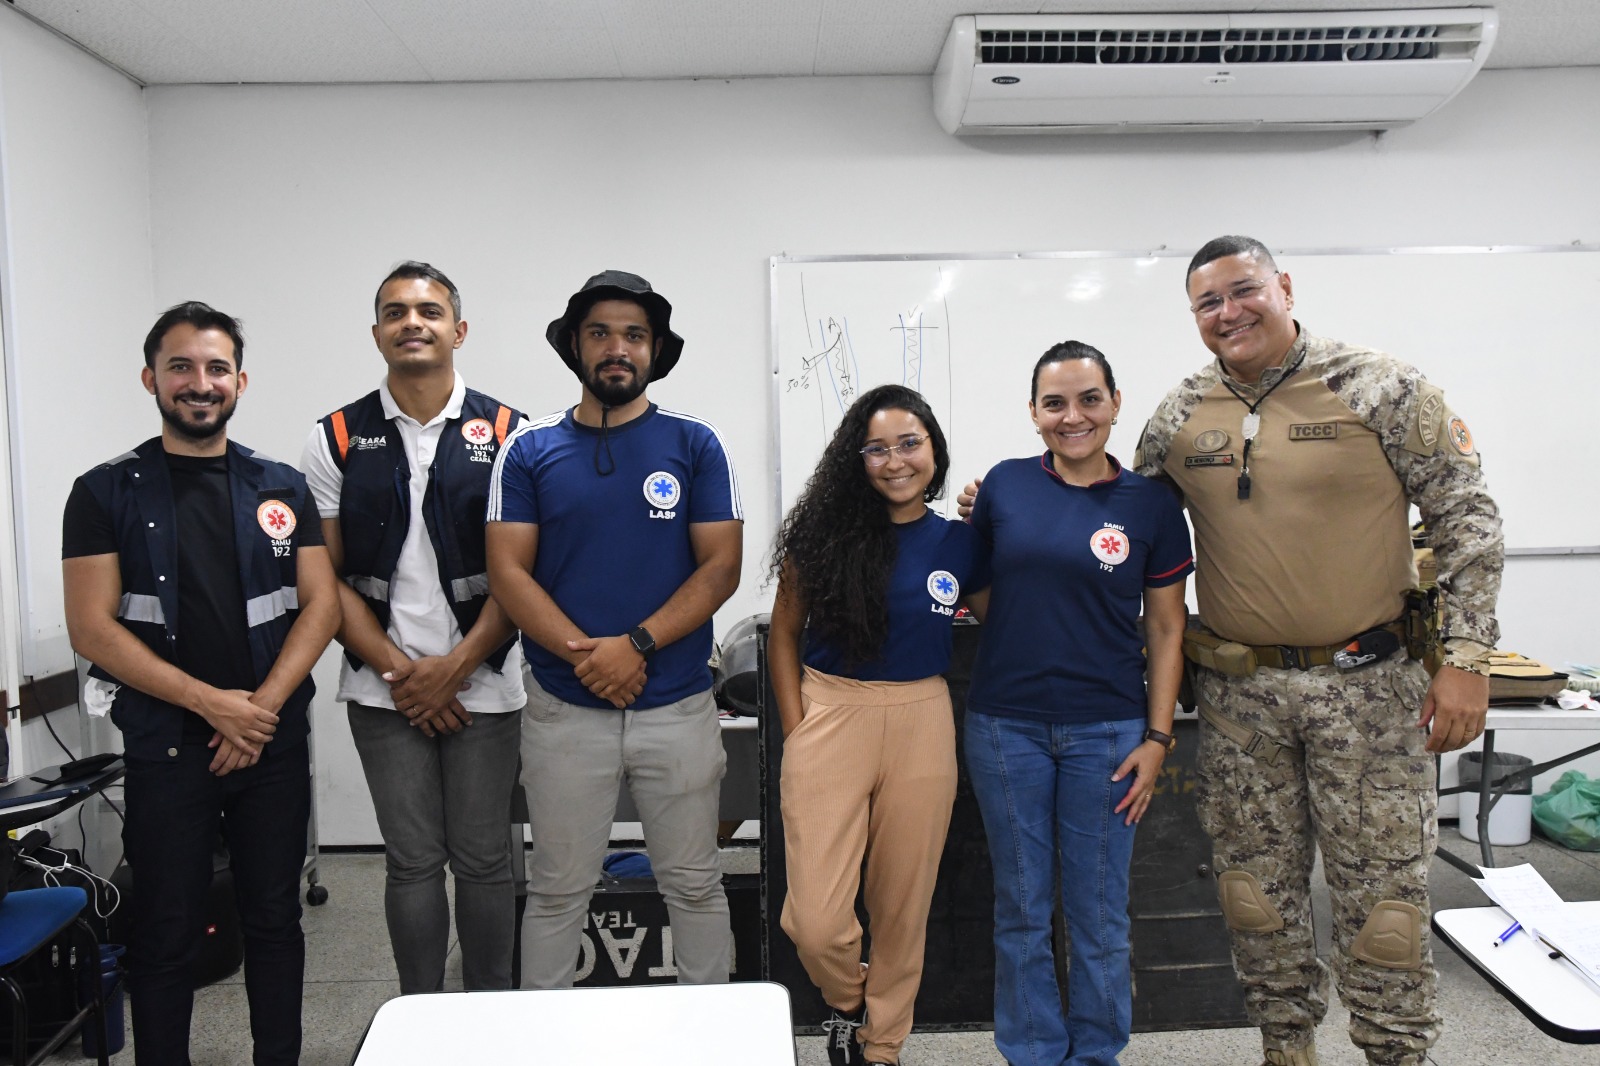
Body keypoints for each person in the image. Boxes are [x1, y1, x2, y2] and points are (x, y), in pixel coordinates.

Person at [1128, 236, 1504, 1066]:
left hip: (1371, 690)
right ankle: (1285, 1048)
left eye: (1244, 290)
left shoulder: (1382, 388)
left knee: (1385, 907)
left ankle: (1396, 1053)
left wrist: (1467, 658)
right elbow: (1124, 525)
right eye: (1208, 303)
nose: (1230, 313)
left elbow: (1468, 519)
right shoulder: (1179, 414)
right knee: (1256, 900)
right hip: (1240, 704)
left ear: (1284, 286)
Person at [63, 302, 340, 1066]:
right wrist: (213, 705)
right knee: (165, 929)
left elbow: (322, 606)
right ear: (151, 378)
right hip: (169, 748)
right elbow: (93, 629)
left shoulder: (278, 485)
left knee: (275, 920)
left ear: (240, 381)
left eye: (216, 368)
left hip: (271, 744)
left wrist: (261, 711)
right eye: (180, 366)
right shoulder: (104, 492)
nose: (199, 382)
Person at [486, 269, 743, 987]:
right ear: (576, 346)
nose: (617, 348)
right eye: (600, 333)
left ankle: (709, 1039)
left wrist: (635, 646)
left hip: (679, 706)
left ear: (655, 350)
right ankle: (544, 1041)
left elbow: (720, 567)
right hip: (566, 710)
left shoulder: (696, 445)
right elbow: (509, 574)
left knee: (693, 884)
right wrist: (590, 658)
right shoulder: (530, 450)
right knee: (558, 889)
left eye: (634, 335)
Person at [962, 341, 1191, 1066]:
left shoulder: (1152, 504)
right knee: (1022, 909)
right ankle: (1032, 1053)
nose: (1074, 416)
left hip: (1110, 731)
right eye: (1055, 403)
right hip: (1006, 727)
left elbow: (1165, 627)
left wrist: (1157, 738)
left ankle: (1096, 1055)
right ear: (1033, 413)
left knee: (1098, 913)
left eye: (1090, 399)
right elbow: (979, 590)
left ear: (1116, 403)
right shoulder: (1002, 487)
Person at [300, 262, 527, 993]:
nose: (412, 323)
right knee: (413, 861)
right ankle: (422, 1017)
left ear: (458, 331)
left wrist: (455, 667)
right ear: (377, 335)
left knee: (486, 859)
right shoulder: (333, 436)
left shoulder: (512, 434)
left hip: (487, 681)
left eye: (429, 311)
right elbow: (325, 580)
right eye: (395, 312)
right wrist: (404, 673)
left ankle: (491, 1017)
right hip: (383, 689)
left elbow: (523, 574)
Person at [768, 385, 989, 1066]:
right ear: (855, 459)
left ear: (934, 450)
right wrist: (800, 725)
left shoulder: (960, 543)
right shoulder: (822, 538)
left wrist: (1003, 523)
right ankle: (846, 1000)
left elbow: (1008, 619)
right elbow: (782, 634)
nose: (896, 461)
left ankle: (882, 1044)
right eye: (877, 448)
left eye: (910, 443)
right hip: (832, 712)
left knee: (901, 903)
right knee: (815, 919)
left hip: (922, 717)